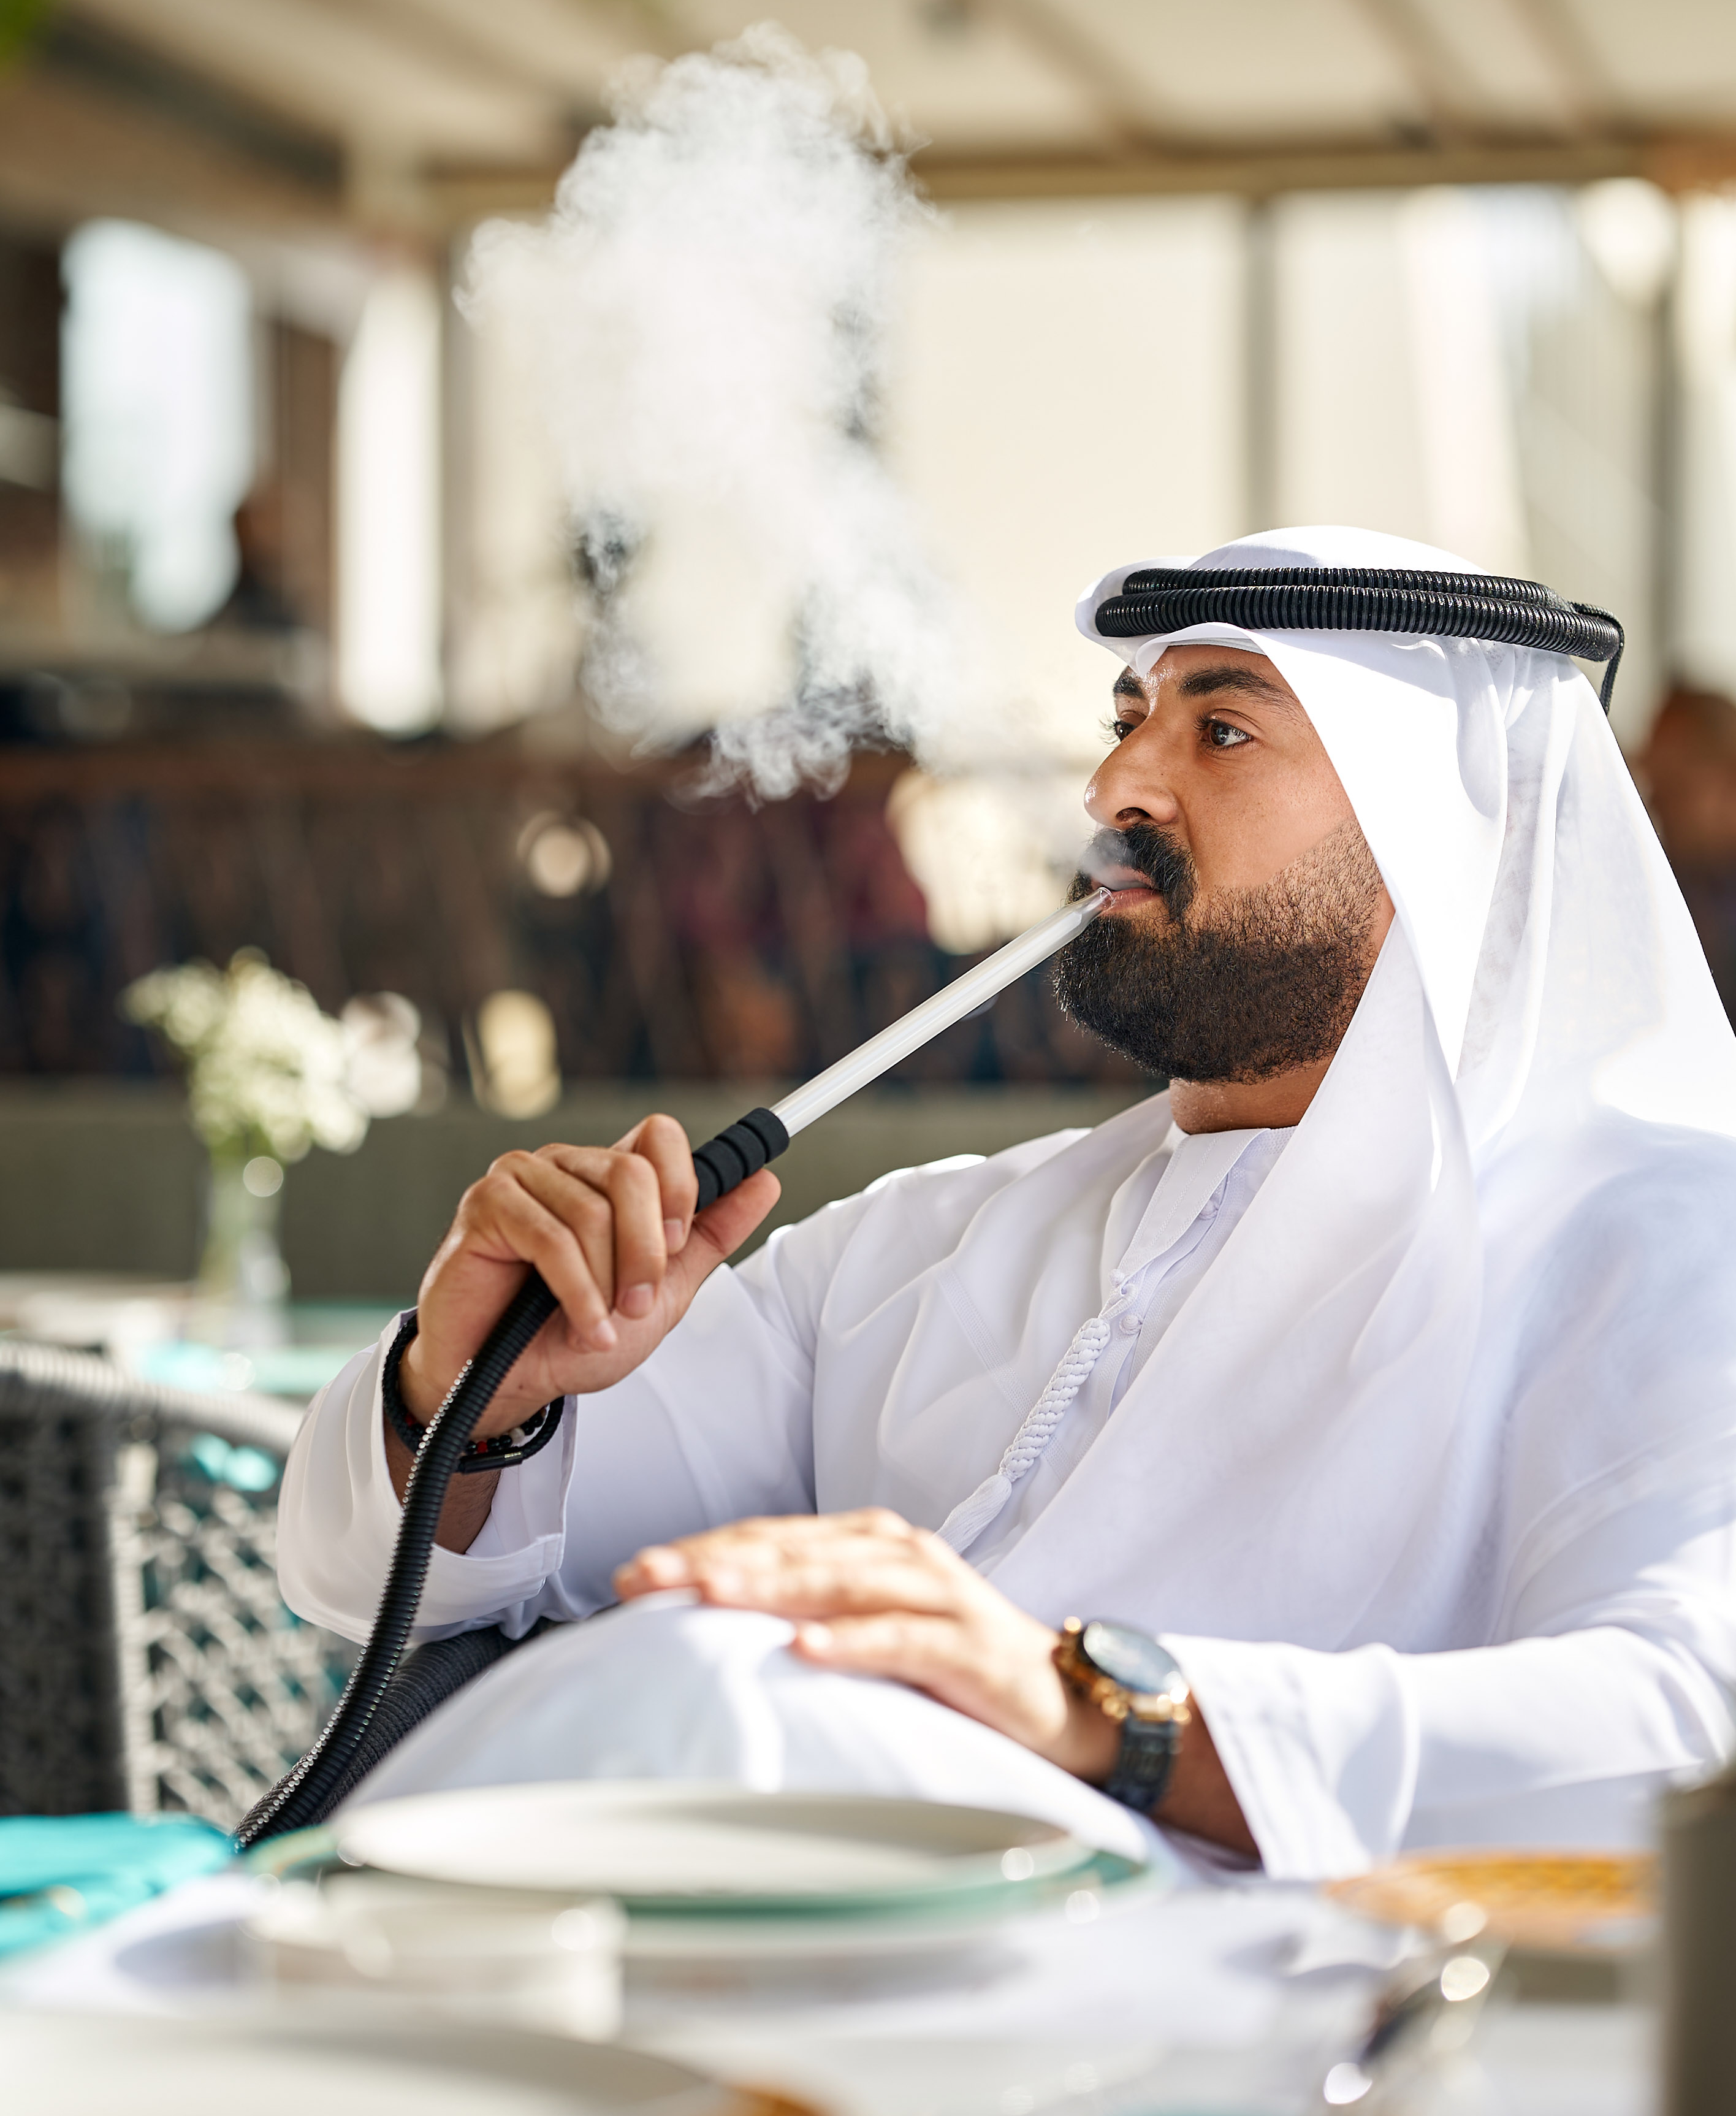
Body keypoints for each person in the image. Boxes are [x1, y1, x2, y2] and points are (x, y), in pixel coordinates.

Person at [278, 525, 1736, 1876]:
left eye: (1222, 730)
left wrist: (1103, 1709)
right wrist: (475, 1392)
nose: (1114, 789)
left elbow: (1684, 1724)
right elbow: (369, 1575)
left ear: (1448, 831)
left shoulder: (1654, 1244)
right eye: (1126, 719)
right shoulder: (925, 1237)